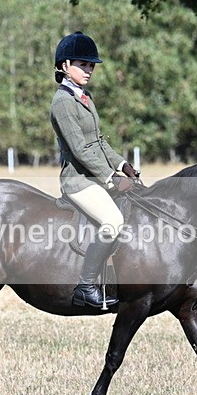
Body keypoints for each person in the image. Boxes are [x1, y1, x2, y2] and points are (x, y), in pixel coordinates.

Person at [50, 31, 138, 308]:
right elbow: (80, 149)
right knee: (113, 222)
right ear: (65, 66)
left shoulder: (84, 97)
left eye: (91, 66)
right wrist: (111, 179)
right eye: (82, 64)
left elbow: (98, 141)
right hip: (78, 181)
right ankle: (85, 286)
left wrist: (123, 164)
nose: (88, 70)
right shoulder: (63, 102)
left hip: (95, 176)